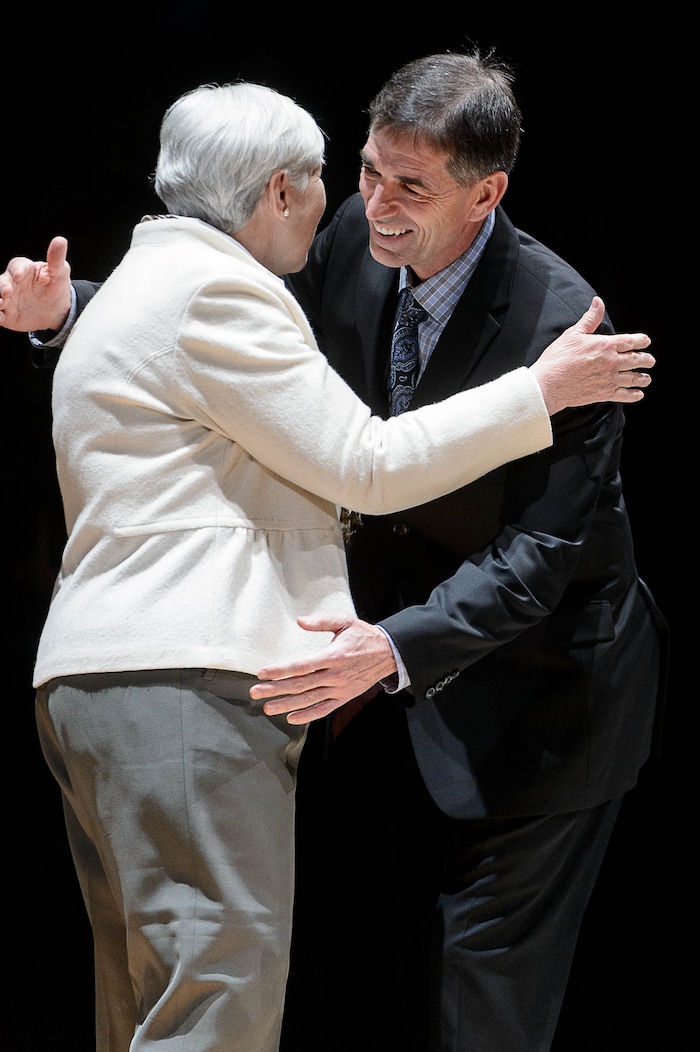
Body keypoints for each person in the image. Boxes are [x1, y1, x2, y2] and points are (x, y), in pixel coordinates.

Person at [0, 77, 658, 1052]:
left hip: (535, 704)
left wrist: (392, 648)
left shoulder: (566, 331)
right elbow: (240, 356)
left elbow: (539, 557)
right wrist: (72, 311)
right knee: (250, 992)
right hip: (340, 681)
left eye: (411, 185)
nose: (375, 203)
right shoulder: (345, 235)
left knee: (472, 1008)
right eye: (365, 171)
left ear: (486, 192)